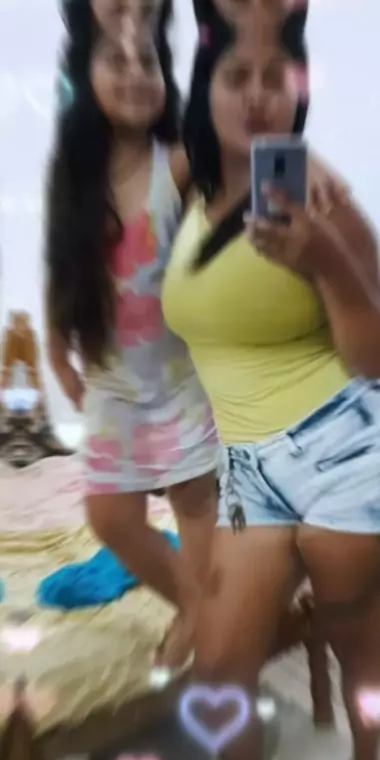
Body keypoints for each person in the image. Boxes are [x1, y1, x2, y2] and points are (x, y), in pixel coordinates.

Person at [162, 16, 380, 760]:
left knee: (359, 650)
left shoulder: (326, 206)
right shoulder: (188, 192)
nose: (257, 93)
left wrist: (326, 260)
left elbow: (376, 355)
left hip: (346, 452)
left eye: (276, 76)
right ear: (205, 88)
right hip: (249, 469)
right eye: (235, 75)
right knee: (218, 672)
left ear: (298, 91)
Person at [44, 0, 219, 668]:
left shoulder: (177, 164)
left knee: (194, 503)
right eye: (115, 60)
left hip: (180, 381)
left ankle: (201, 619)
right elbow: (61, 265)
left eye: (148, 61)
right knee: (110, 516)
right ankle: (198, 605)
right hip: (112, 384)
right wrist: (56, 348)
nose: (135, 74)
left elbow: (232, 195)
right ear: (83, 73)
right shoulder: (73, 178)